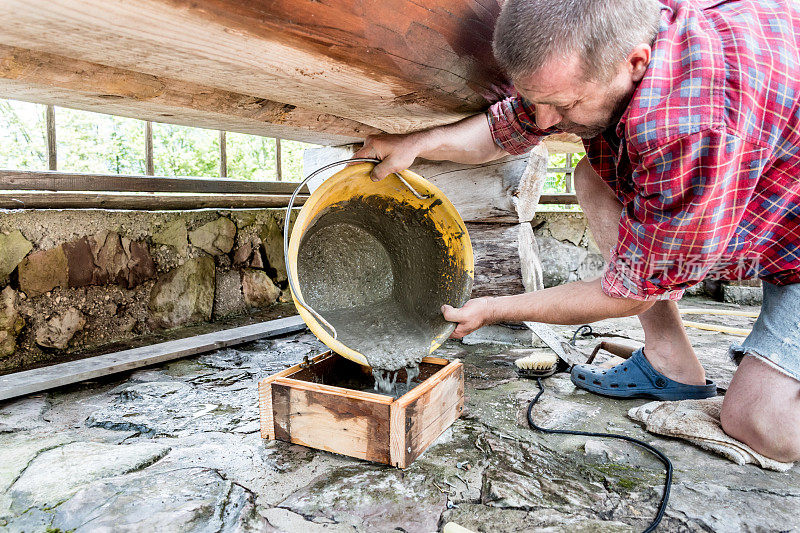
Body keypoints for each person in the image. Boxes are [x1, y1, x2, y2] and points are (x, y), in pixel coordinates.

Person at [353, 0, 800, 462]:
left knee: (762, 426)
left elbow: (629, 293)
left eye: (563, 105)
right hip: (777, 203)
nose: (545, 122)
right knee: (593, 174)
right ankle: (671, 363)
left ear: (635, 63)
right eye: (537, 100)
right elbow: (508, 126)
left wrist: (494, 308)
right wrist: (416, 145)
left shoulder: (689, 129)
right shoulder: (619, 34)